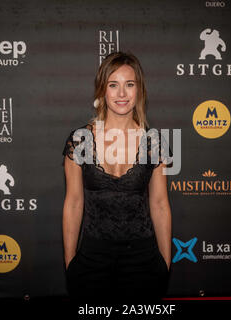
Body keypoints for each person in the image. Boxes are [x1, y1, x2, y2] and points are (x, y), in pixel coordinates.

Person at [62, 51, 173, 302]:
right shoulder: (80, 140)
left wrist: (166, 263)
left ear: (139, 90)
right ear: (102, 90)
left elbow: (159, 204)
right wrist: (70, 263)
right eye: (113, 85)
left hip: (143, 262)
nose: (122, 94)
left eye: (129, 84)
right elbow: (73, 203)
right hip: (92, 260)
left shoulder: (153, 142)